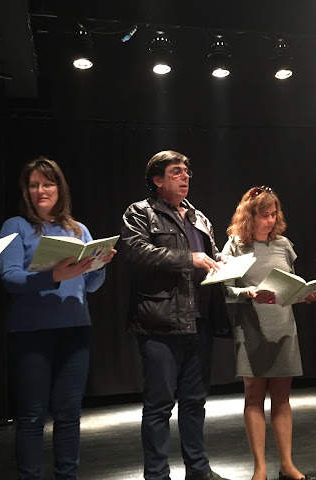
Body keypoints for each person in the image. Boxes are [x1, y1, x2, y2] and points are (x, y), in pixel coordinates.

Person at [0, 157, 115, 480]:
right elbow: (10, 277)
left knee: (69, 415)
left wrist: (99, 265)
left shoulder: (78, 230)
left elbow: (91, 285)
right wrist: (54, 276)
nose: (41, 190)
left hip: (75, 330)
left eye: (48, 184)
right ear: (26, 191)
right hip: (31, 332)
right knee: (32, 416)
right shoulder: (15, 226)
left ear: (60, 189)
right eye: (34, 185)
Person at [120, 150, 230, 480]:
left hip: (200, 320)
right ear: (157, 180)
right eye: (176, 172)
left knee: (195, 401)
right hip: (160, 322)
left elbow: (208, 257)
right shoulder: (140, 212)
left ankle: (198, 469)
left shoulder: (199, 217)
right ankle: (157, 475)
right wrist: (189, 258)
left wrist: (221, 263)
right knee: (159, 404)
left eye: (186, 172)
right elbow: (136, 252)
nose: (184, 177)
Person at [221, 186, 316, 480]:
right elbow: (225, 288)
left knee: (282, 397)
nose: (270, 220)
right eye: (264, 215)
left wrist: (304, 294)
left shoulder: (283, 245)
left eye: (273, 214)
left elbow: (290, 285)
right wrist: (247, 293)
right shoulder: (235, 246)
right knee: (254, 395)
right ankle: (260, 469)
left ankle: (287, 465)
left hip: (282, 326)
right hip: (251, 327)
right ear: (249, 216)